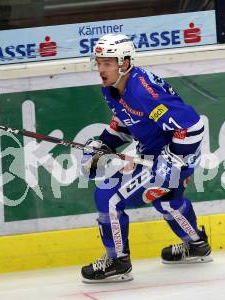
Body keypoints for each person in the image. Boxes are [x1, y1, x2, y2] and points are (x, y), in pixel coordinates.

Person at [80, 34, 212, 284]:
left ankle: (117, 261)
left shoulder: (143, 92)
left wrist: (172, 159)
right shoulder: (113, 89)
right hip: (154, 156)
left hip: (175, 156)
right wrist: (104, 143)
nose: (100, 69)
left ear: (125, 63)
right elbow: (127, 123)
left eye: (107, 63)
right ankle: (196, 245)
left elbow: (192, 127)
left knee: (107, 196)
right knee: (168, 202)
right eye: (98, 62)